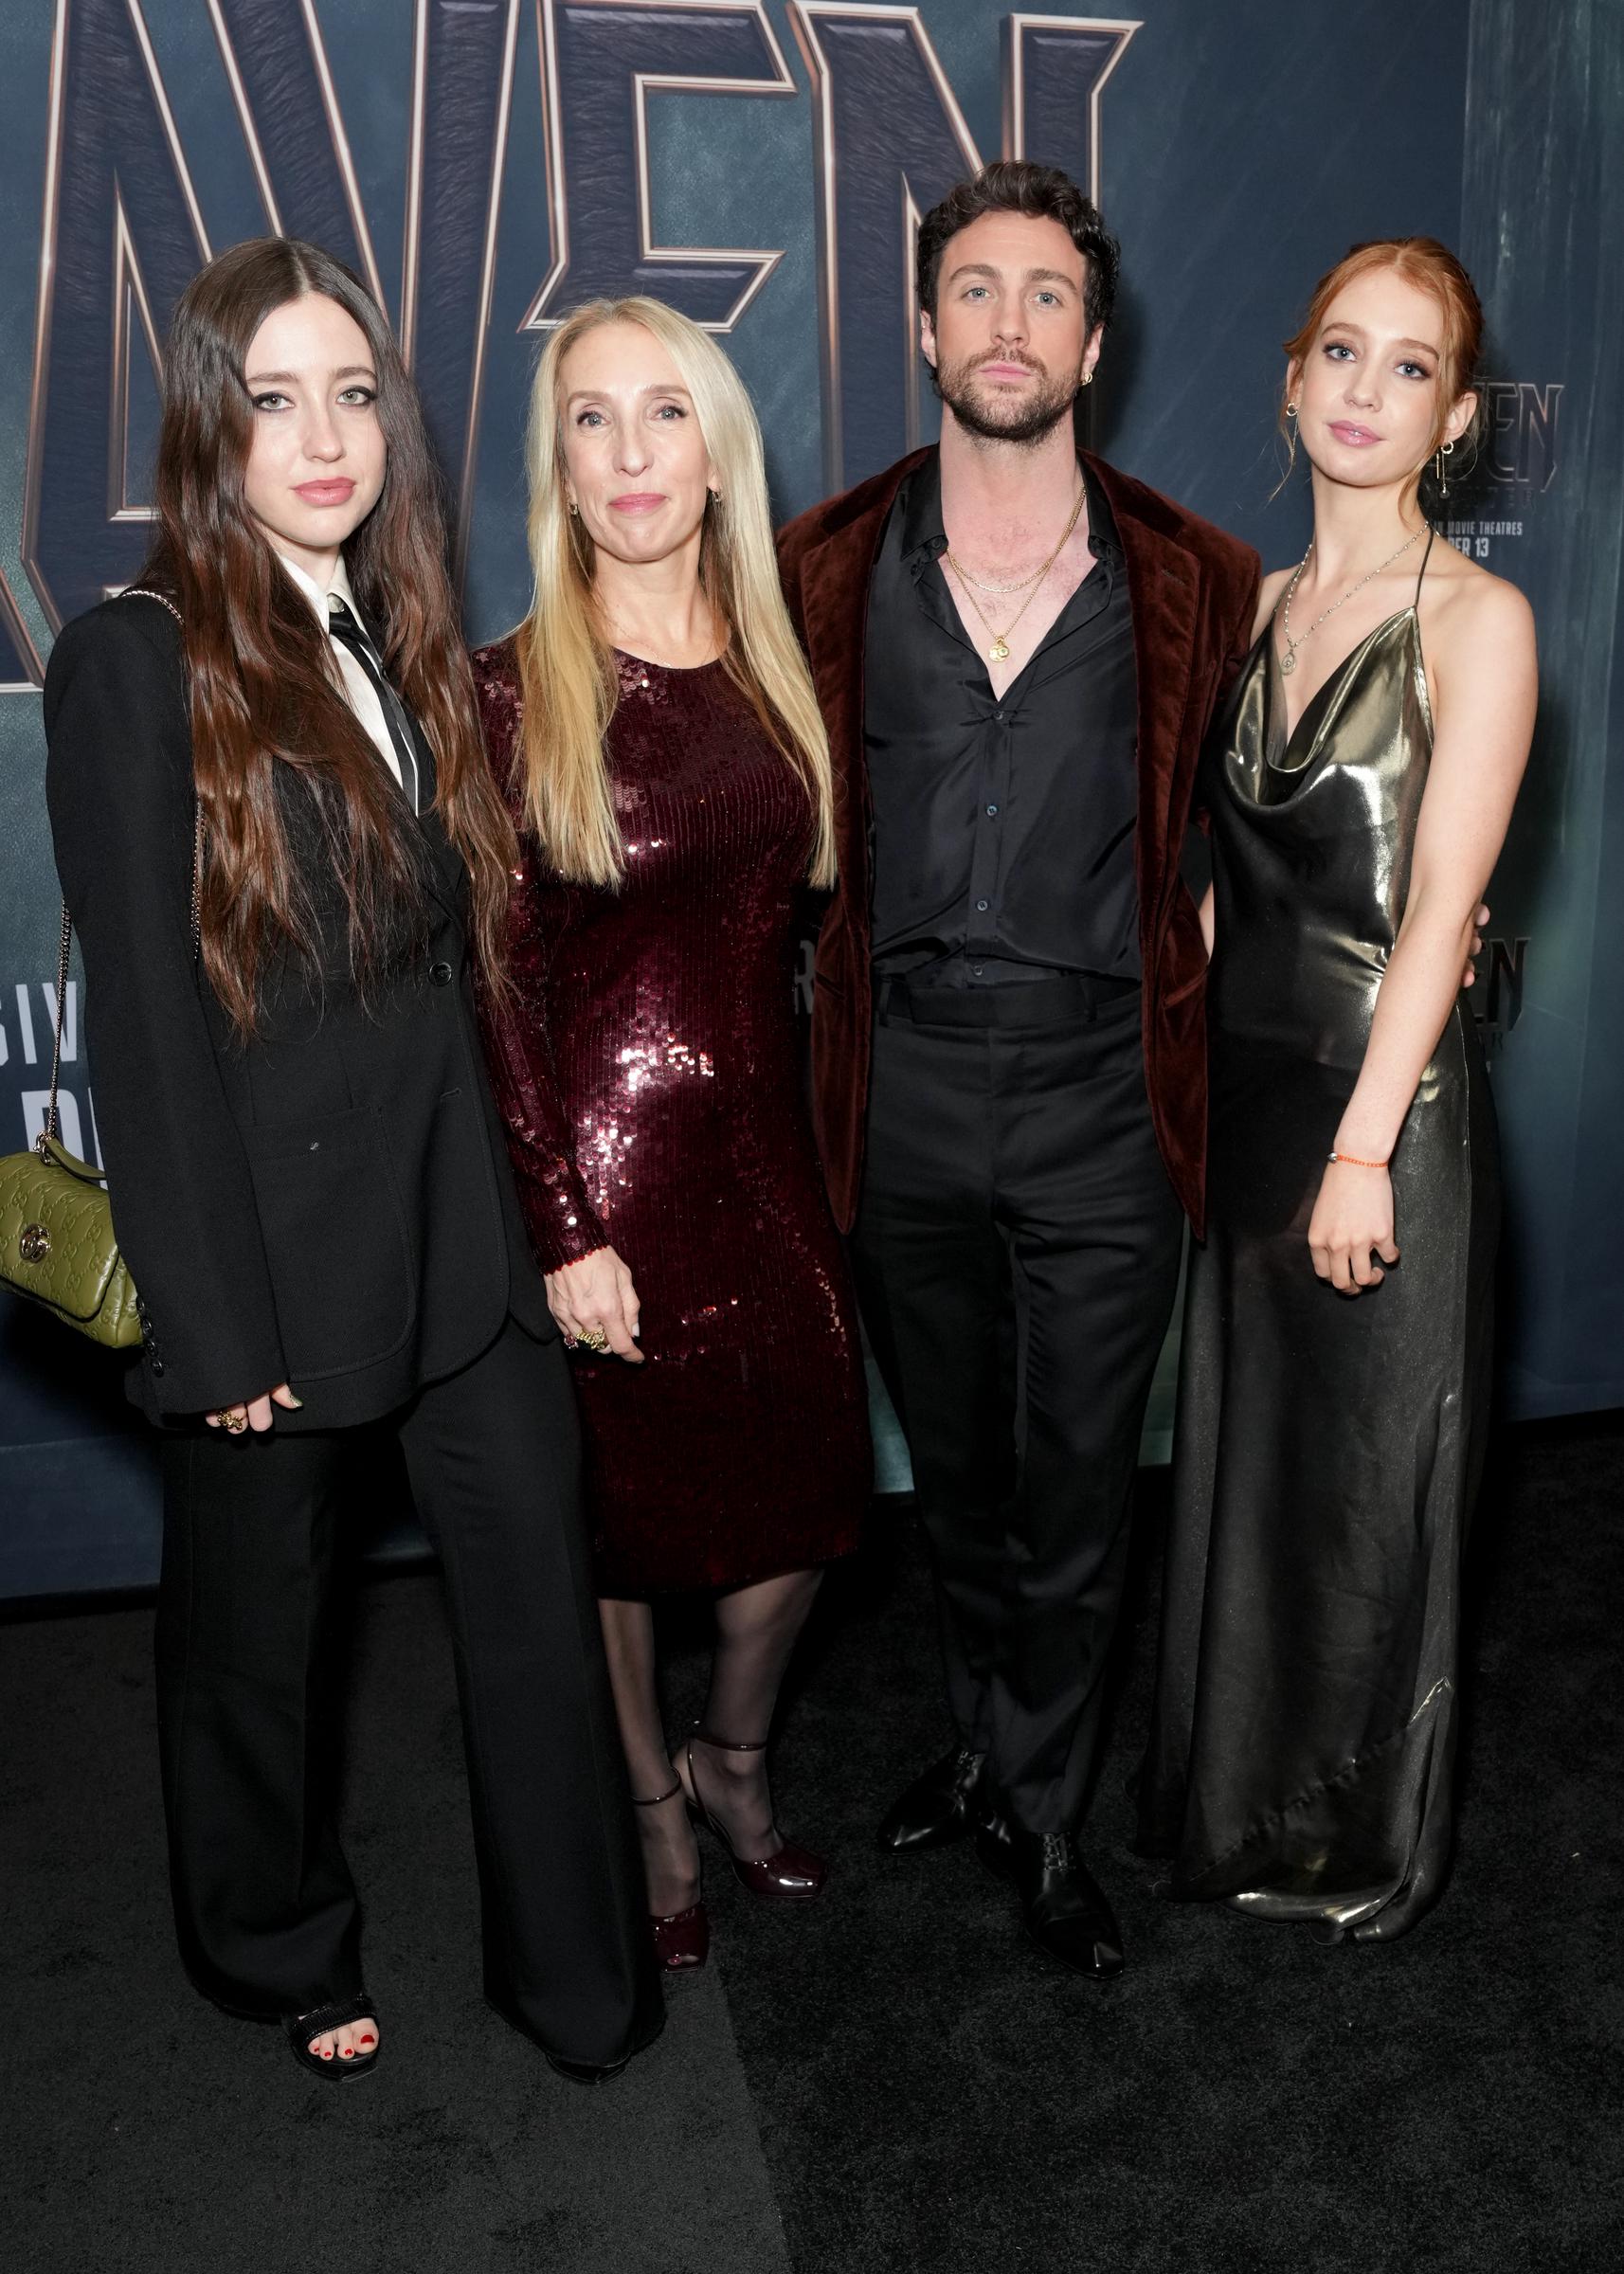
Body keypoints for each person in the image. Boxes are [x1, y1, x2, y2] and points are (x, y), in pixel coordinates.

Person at [43, 238, 662, 2084]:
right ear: (206, 428)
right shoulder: (132, 660)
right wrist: (214, 1336)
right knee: (257, 1645)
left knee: (539, 1599)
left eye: (352, 393)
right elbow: (145, 1026)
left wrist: (542, 1226)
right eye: (273, 400)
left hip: (459, 1235)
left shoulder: (401, 634)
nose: (323, 437)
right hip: (271, 1263)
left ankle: (575, 1973)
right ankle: (273, 1947)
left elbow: (462, 976)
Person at [774, 161, 1262, 1979]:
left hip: (1096, 1101)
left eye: (1043, 294)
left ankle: (1042, 1811)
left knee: (1075, 1482)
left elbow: (1247, 837)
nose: (1006, 324)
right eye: (973, 291)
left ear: (1094, 339)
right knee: (960, 1479)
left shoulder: (1198, 579)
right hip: (897, 1085)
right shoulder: (820, 564)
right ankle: (988, 1749)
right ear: (923, 327)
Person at [1137, 239, 1535, 1941]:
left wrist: (1364, 1148)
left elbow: (1440, 908)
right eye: (1341, 355)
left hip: (1383, 1116)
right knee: (1253, 1465)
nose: (1365, 393)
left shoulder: (1478, 620)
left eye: (1409, 367)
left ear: (1451, 419)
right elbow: (1237, 879)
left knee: (1371, 1483)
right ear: (1289, 382)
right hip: (1247, 1100)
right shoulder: (1252, 609)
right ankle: (1229, 1802)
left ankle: (1346, 1837)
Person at [473, 297, 870, 1973]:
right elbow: (498, 993)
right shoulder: (509, 691)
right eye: (589, 420)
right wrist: (566, 1228)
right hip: (606, 1180)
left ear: (716, 450)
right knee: (623, 1533)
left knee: (812, 1505)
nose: (630, 454)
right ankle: (652, 1803)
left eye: (662, 415)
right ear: (557, 469)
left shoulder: (781, 662)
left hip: (764, 1165)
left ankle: (733, 1750)